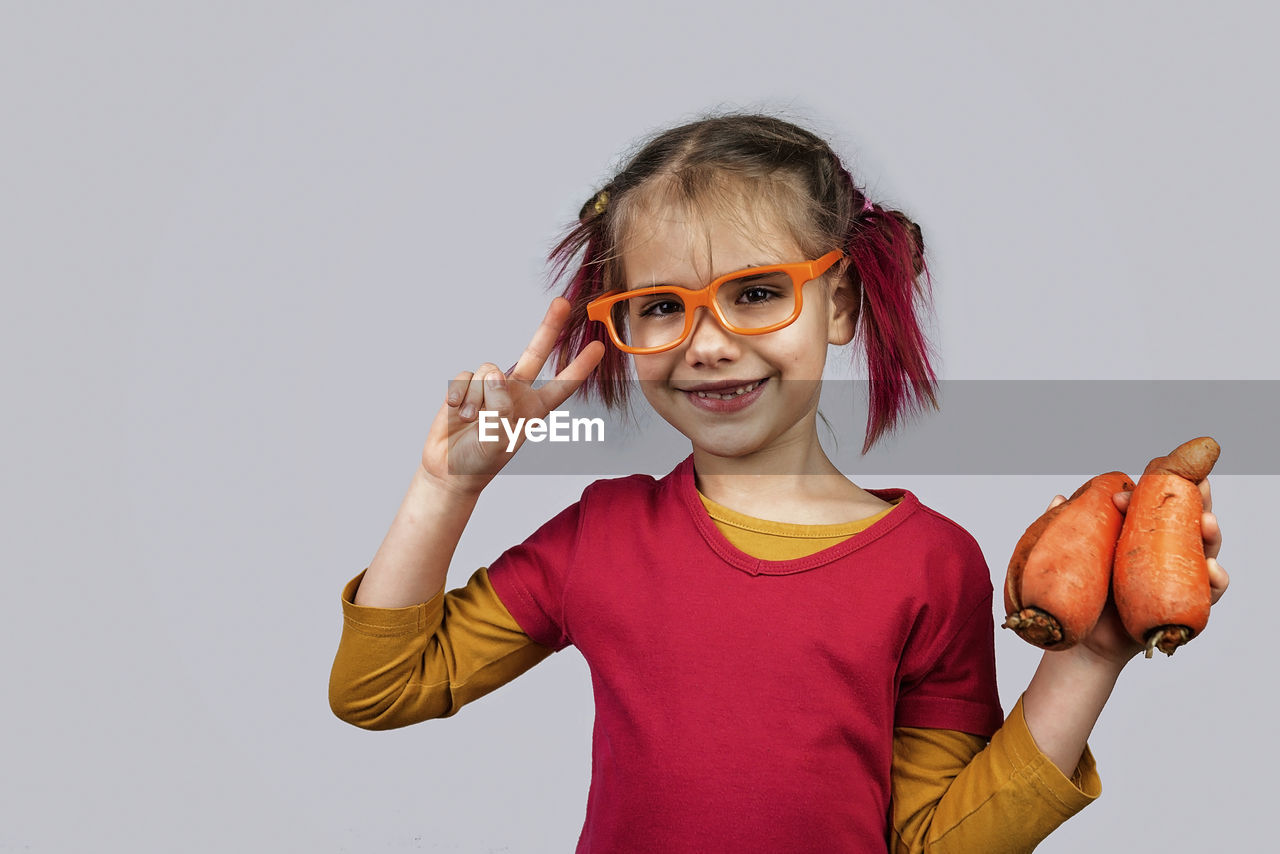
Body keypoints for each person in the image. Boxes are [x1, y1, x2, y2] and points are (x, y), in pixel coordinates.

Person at [328, 114, 1228, 852]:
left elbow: (937, 846)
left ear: (839, 303)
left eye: (757, 291)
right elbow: (382, 686)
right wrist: (445, 488)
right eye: (661, 307)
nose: (708, 342)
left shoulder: (932, 566)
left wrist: (1091, 656)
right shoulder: (601, 536)